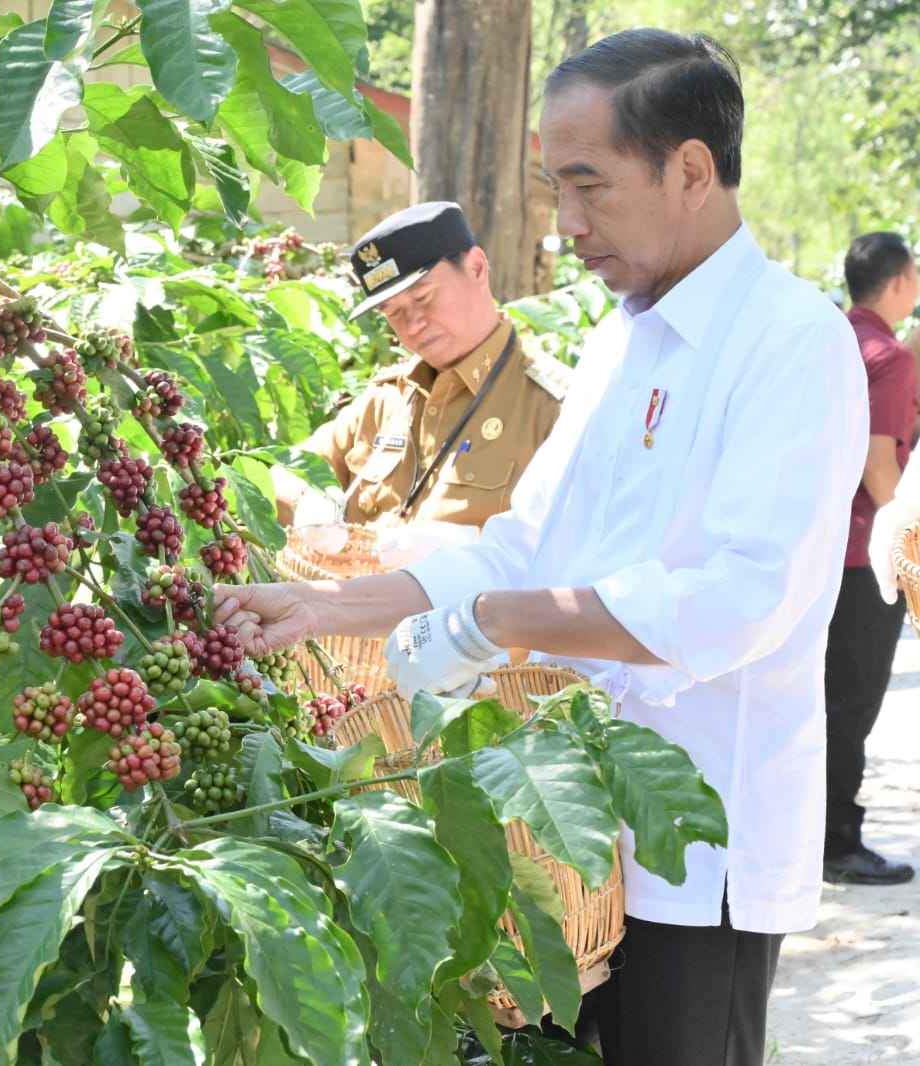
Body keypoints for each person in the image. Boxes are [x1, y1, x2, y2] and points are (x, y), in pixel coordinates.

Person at [215, 29, 866, 1066]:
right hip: (567, 829)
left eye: (587, 187)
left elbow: (740, 599)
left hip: (698, 849)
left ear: (689, 169)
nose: (564, 226)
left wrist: (492, 623)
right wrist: (335, 606)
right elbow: (527, 540)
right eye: (553, 189)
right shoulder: (623, 337)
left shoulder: (788, 340)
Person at [271, 202, 570, 542]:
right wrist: (308, 501)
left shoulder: (555, 406)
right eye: (393, 312)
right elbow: (286, 472)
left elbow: (571, 549)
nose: (413, 325)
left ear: (476, 268)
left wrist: (468, 549)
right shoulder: (387, 400)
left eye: (424, 297)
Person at [822, 232, 918, 886]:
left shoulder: (832, 341)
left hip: (821, 548)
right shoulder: (889, 355)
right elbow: (878, 461)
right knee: (852, 704)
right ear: (899, 284)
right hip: (865, 555)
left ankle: (814, 833)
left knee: (822, 699)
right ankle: (839, 842)